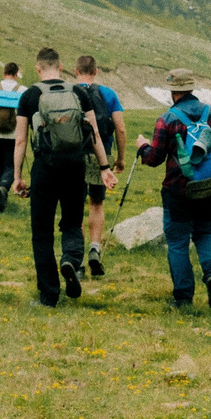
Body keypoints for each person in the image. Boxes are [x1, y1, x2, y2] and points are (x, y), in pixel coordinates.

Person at [137, 68, 211, 308]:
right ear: (191, 88)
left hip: (178, 191)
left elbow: (155, 158)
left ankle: (183, 298)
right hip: (210, 188)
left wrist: (143, 147)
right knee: (205, 234)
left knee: (179, 243)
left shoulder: (167, 119)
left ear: (173, 92)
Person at [15, 47, 101, 306]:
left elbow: (20, 140)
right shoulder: (77, 92)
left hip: (45, 168)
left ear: (38, 68)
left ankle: (49, 294)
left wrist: (17, 176)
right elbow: (93, 132)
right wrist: (105, 166)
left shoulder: (30, 95)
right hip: (75, 166)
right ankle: (71, 261)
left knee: (42, 232)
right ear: (61, 67)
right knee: (72, 222)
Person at [75, 55, 124, 278]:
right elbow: (120, 129)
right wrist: (119, 159)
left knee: (75, 206)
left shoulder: (70, 92)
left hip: (75, 154)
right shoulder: (109, 94)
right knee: (96, 203)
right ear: (95, 71)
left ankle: (77, 257)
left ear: (76, 71)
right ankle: (95, 247)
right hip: (101, 154)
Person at [0, 62, 25, 212]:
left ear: (4, 72)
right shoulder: (22, 90)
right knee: (12, 165)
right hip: (14, 135)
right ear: (16, 73)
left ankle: (1, 196)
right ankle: (3, 188)